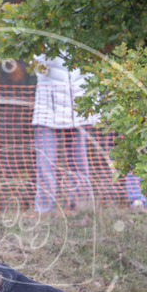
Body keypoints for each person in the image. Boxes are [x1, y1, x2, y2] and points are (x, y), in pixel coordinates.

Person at [31, 53, 99, 214]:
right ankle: (44, 210)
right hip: (47, 111)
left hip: (77, 112)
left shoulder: (85, 36)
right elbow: (37, 67)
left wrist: (95, 110)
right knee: (45, 164)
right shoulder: (43, 40)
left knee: (79, 164)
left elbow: (92, 78)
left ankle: (80, 207)